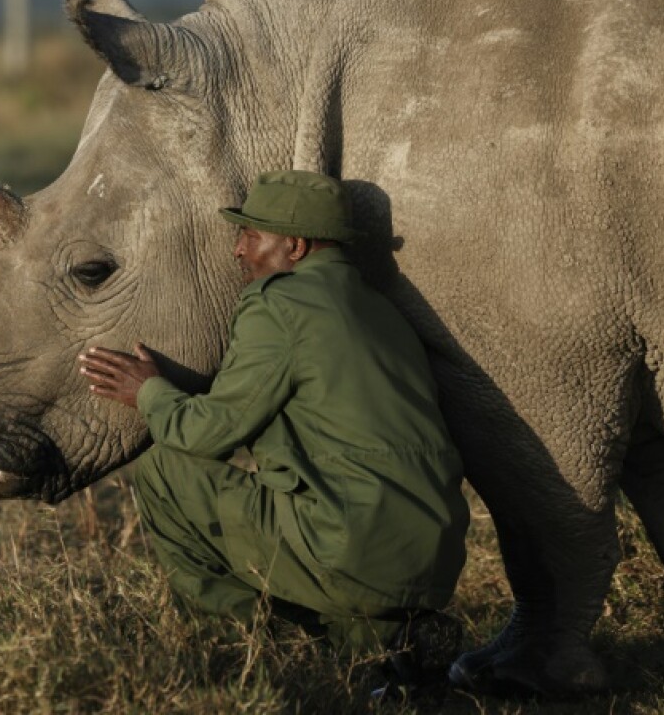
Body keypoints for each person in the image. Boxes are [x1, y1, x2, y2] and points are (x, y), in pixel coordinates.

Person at [78, 170, 469, 674]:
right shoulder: (382, 310)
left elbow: (208, 435)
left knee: (165, 472)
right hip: (432, 562)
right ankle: (385, 638)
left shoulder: (279, 303)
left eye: (251, 235)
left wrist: (147, 391)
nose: (239, 251)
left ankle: (277, 645)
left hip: (347, 551)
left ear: (297, 247)